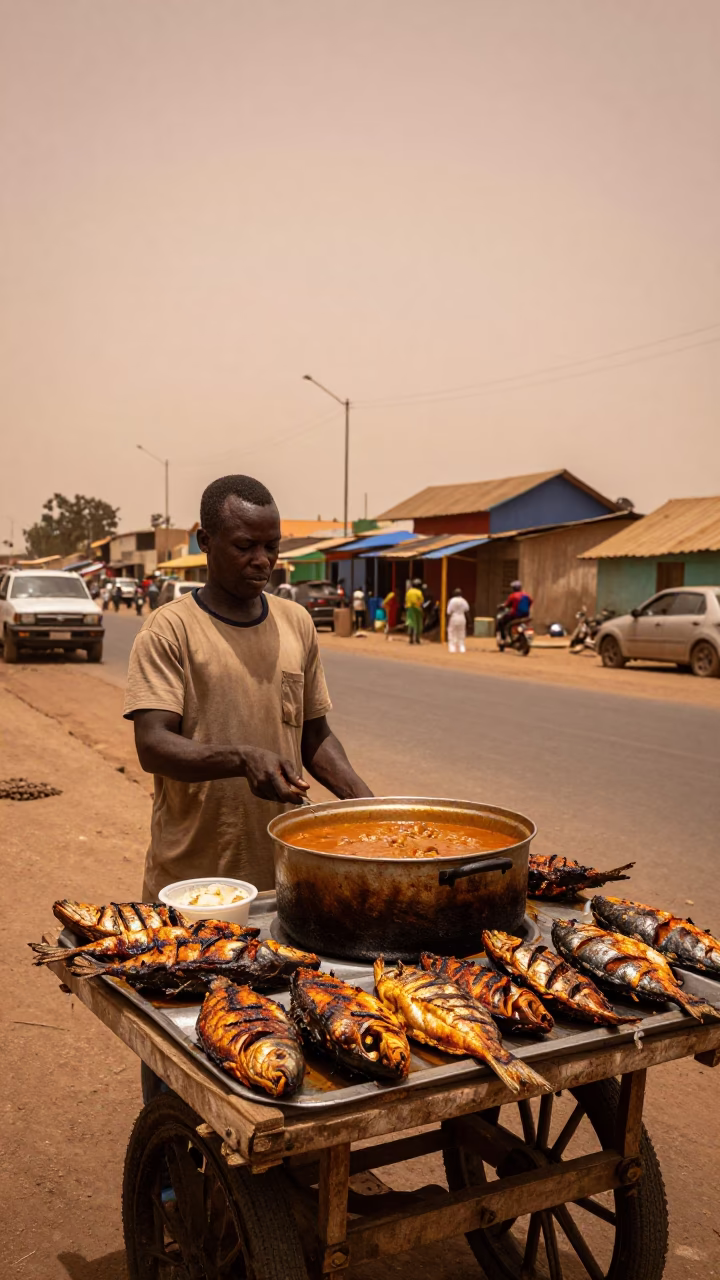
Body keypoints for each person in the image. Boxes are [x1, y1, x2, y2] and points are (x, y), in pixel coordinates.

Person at [124, 473, 372, 905]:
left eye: (271, 546)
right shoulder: (169, 630)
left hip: (284, 879)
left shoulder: (297, 623)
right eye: (244, 546)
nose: (262, 560)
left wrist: (369, 807)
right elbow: (152, 745)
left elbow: (314, 735)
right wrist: (242, 758)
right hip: (193, 885)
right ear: (206, 540)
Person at [497, 579, 533, 647]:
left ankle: (503, 638)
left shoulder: (513, 596)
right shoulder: (526, 595)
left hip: (515, 615)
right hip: (526, 616)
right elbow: (531, 602)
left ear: (513, 588)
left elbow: (506, 605)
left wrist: (502, 606)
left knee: (501, 622)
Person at [446, 587, 470, 654]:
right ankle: (462, 648)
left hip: (454, 617)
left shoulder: (452, 601)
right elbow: (467, 612)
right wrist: (469, 622)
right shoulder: (464, 601)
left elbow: (448, 612)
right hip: (462, 617)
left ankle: (452, 648)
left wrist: (447, 622)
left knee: (452, 632)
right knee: (461, 633)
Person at [405, 578, 424, 644]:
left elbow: (406, 600)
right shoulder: (419, 592)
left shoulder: (409, 592)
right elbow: (421, 601)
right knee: (418, 624)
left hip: (410, 609)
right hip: (417, 608)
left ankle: (411, 639)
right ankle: (417, 639)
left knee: (411, 623)